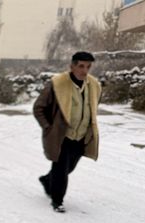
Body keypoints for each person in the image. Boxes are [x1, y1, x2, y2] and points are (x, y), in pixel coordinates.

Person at [33, 51, 101, 213]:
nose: (84, 70)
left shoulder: (93, 86)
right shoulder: (57, 84)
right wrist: (49, 127)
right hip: (62, 136)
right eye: (81, 66)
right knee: (61, 169)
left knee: (69, 167)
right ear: (72, 66)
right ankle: (57, 201)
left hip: (81, 136)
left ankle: (46, 180)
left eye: (88, 67)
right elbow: (39, 107)